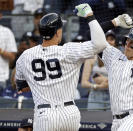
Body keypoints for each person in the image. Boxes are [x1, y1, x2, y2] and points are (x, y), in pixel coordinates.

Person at [15, 3, 108, 131]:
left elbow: (22, 88)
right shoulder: (69, 50)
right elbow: (101, 44)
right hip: (69, 114)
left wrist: (43, 83)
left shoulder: (25, 56)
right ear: (58, 32)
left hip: (45, 114)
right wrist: (89, 16)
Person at [81, 30, 117, 110]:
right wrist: (97, 86)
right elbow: (84, 83)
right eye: (106, 39)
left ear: (115, 42)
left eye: (111, 39)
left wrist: (105, 80)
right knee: (93, 122)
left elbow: (122, 81)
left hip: (113, 99)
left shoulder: (119, 59)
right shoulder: (91, 58)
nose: (108, 42)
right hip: (95, 98)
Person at [0, 12, 17, 96]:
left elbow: (12, 57)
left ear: (0, 15)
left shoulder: (6, 32)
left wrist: (1, 51)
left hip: (1, 78)